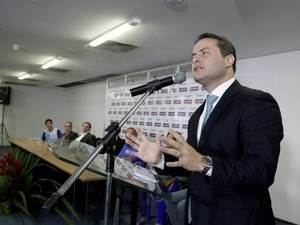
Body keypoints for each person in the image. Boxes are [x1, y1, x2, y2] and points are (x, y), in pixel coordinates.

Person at [125, 33, 284, 225]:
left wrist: (204, 162)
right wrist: (160, 159)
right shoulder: (198, 114)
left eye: (204, 53)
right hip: (198, 214)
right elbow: (191, 164)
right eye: (193, 56)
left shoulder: (255, 102)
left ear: (229, 59)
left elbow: (261, 170)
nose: (195, 59)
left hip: (236, 218)